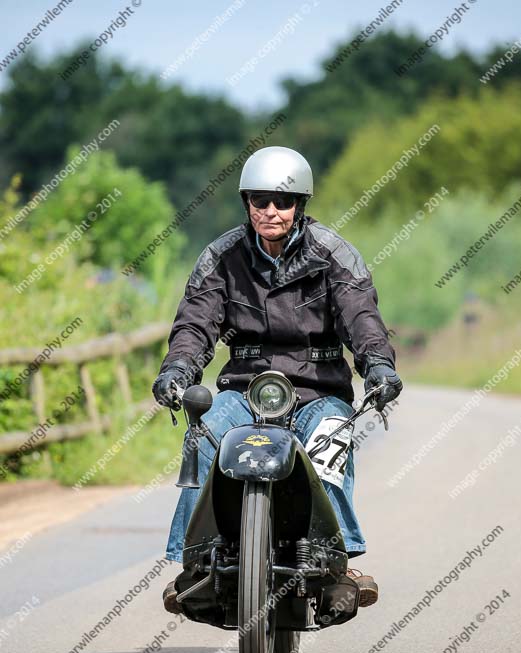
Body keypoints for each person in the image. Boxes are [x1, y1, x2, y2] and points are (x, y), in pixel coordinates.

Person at [153, 146, 402, 613]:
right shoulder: (221, 257)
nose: (271, 210)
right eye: (260, 200)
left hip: (318, 390)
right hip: (243, 388)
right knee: (203, 439)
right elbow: (195, 325)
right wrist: (177, 370)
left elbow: (362, 318)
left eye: (282, 202)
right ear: (246, 202)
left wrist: (378, 366)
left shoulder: (334, 254)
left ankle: (335, 563)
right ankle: (197, 564)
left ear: (299, 206)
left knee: (331, 446)